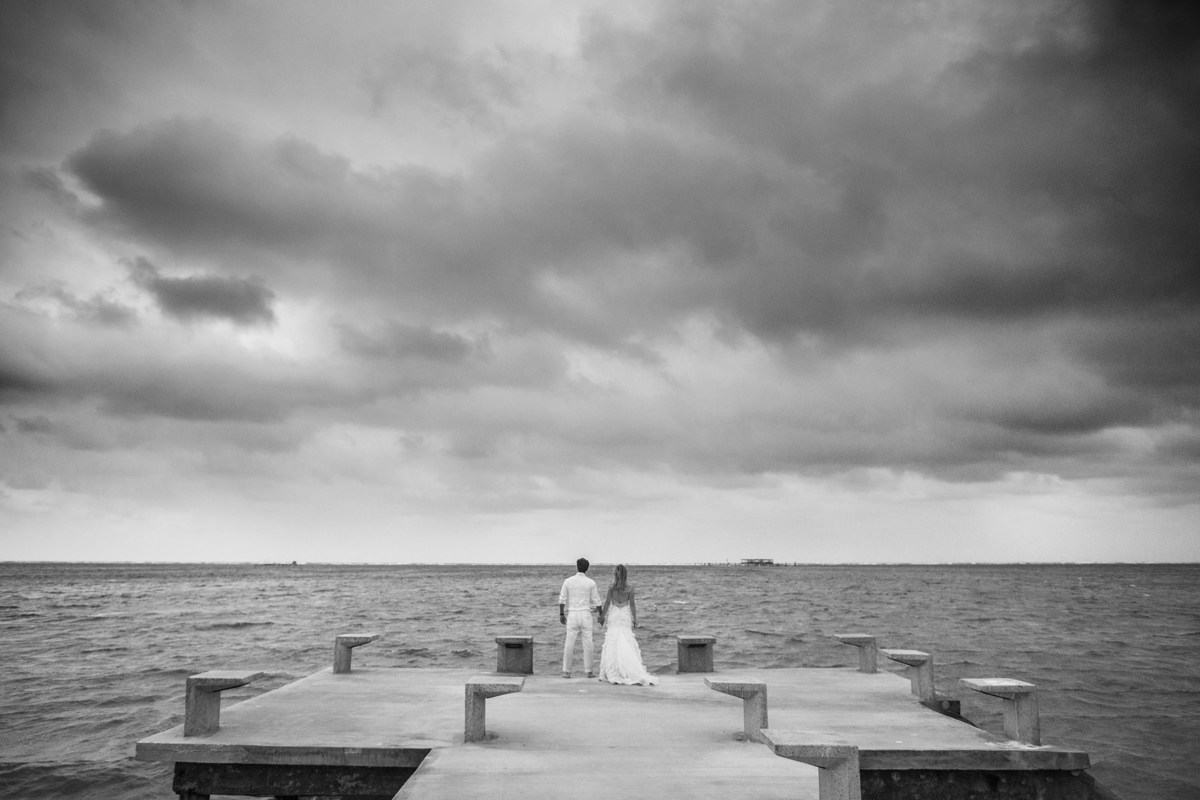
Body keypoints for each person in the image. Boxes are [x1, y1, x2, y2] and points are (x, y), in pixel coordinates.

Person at [597, 564, 659, 686]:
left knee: (612, 641)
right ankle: (629, 669)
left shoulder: (611, 588)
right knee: (626, 639)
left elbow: (607, 603)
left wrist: (602, 616)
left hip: (615, 615)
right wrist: (635, 619)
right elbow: (632, 605)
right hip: (625, 615)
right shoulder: (630, 588)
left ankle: (613, 670)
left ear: (615, 574)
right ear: (626, 575)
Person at [558, 557, 602, 678]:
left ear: (577, 567)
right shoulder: (591, 582)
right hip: (585, 614)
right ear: (587, 569)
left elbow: (562, 599)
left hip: (572, 614)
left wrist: (561, 614)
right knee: (588, 644)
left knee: (569, 643)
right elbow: (597, 601)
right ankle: (589, 671)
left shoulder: (568, 581)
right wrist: (601, 615)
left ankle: (566, 672)